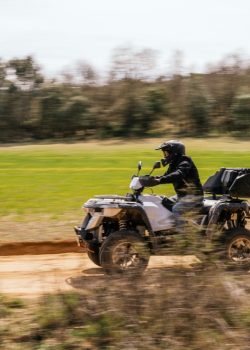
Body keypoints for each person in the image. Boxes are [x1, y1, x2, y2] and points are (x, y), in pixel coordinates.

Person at [145, 140, 204, 230]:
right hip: (181, 195)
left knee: (177, 209)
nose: (165, 156)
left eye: (166, 153)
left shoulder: (185, 161)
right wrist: (151, 179)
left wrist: (159, 180)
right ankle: (167, 229)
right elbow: (166, 176)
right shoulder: (173, 164)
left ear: (174, 153)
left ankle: (182, 236)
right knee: (162, 201)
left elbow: (178, 174)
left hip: (194, 196)